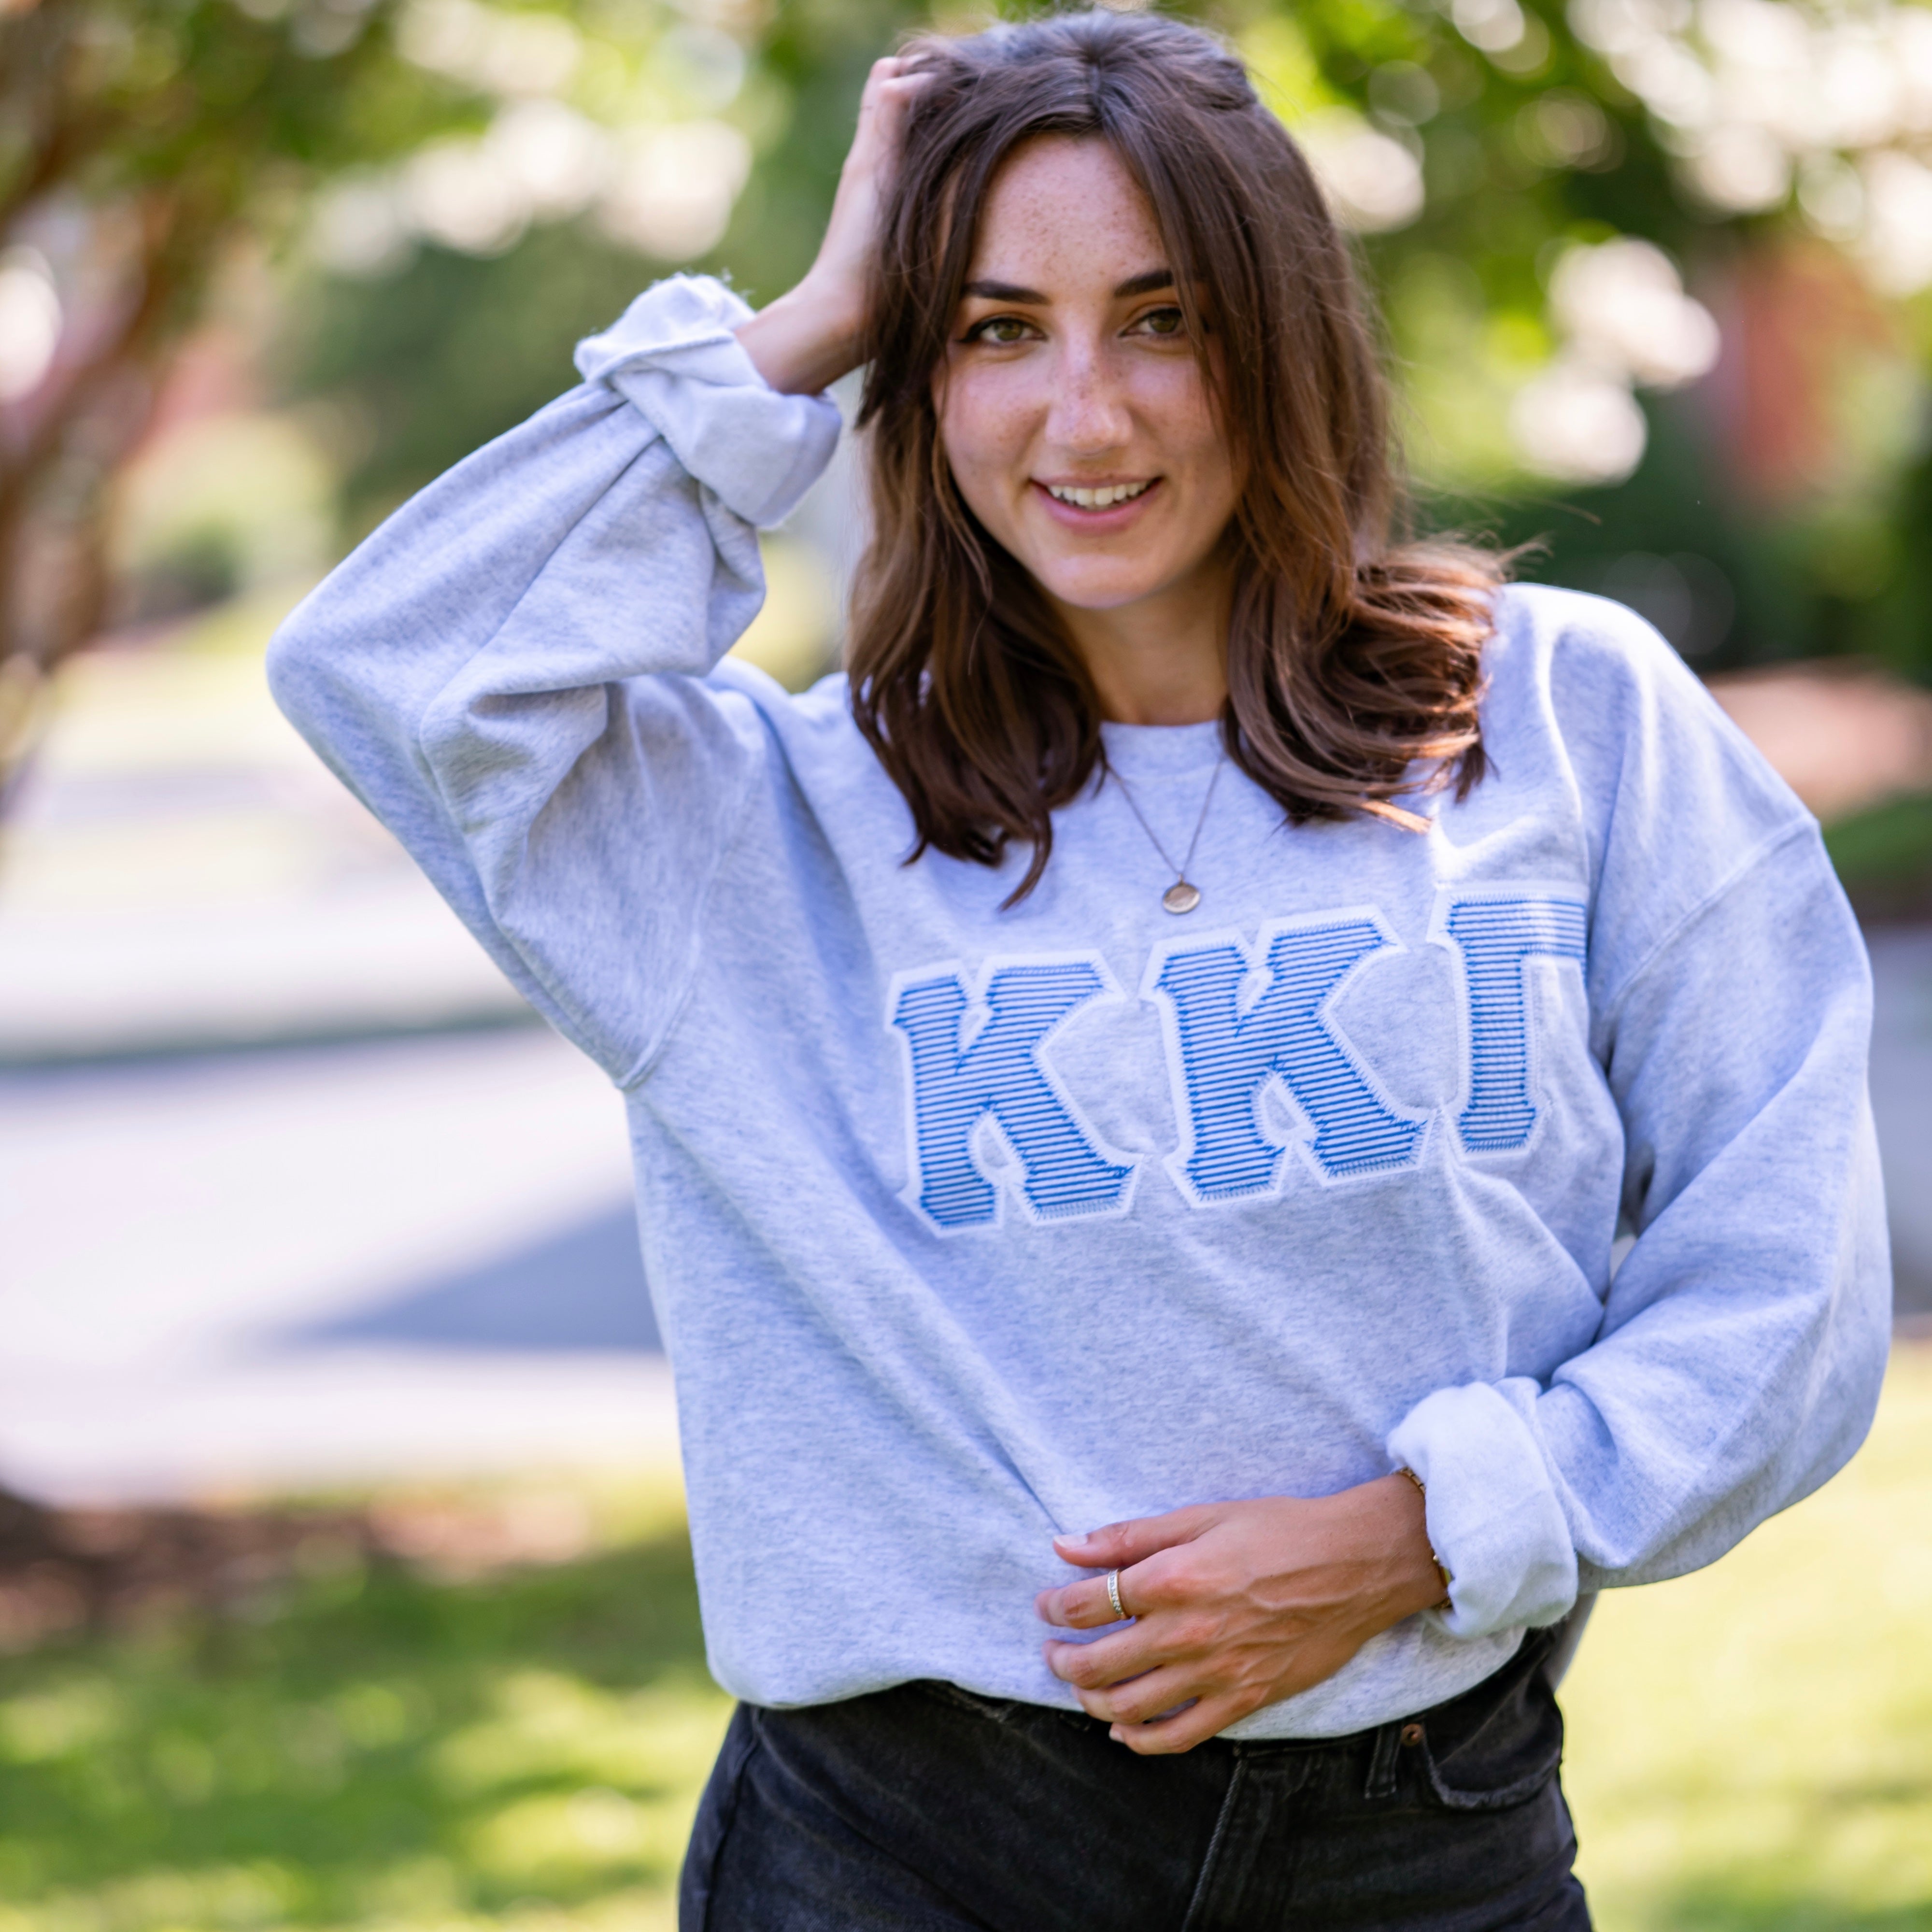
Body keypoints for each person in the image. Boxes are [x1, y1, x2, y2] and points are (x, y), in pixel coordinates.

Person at [268, 11, 1890, 1927]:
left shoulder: (1567, 723)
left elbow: (1782, 1277)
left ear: (1274, 345)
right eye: (993, 328)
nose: (1086, 416)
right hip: (908, 1857)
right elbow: (384, 666)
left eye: (1164, 318)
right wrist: (799, 326)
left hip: (1419, 1839)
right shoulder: (758, 824)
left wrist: (1436, 1529)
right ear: (915, 371)